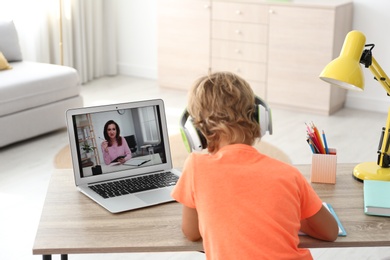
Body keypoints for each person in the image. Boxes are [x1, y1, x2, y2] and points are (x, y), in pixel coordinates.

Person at [171, 72, 338, 259]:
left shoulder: (195, 167)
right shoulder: (288, 174)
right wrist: (291, 217)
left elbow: (191, 232)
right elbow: (330, 232)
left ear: (195, 131)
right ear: (260, 119)